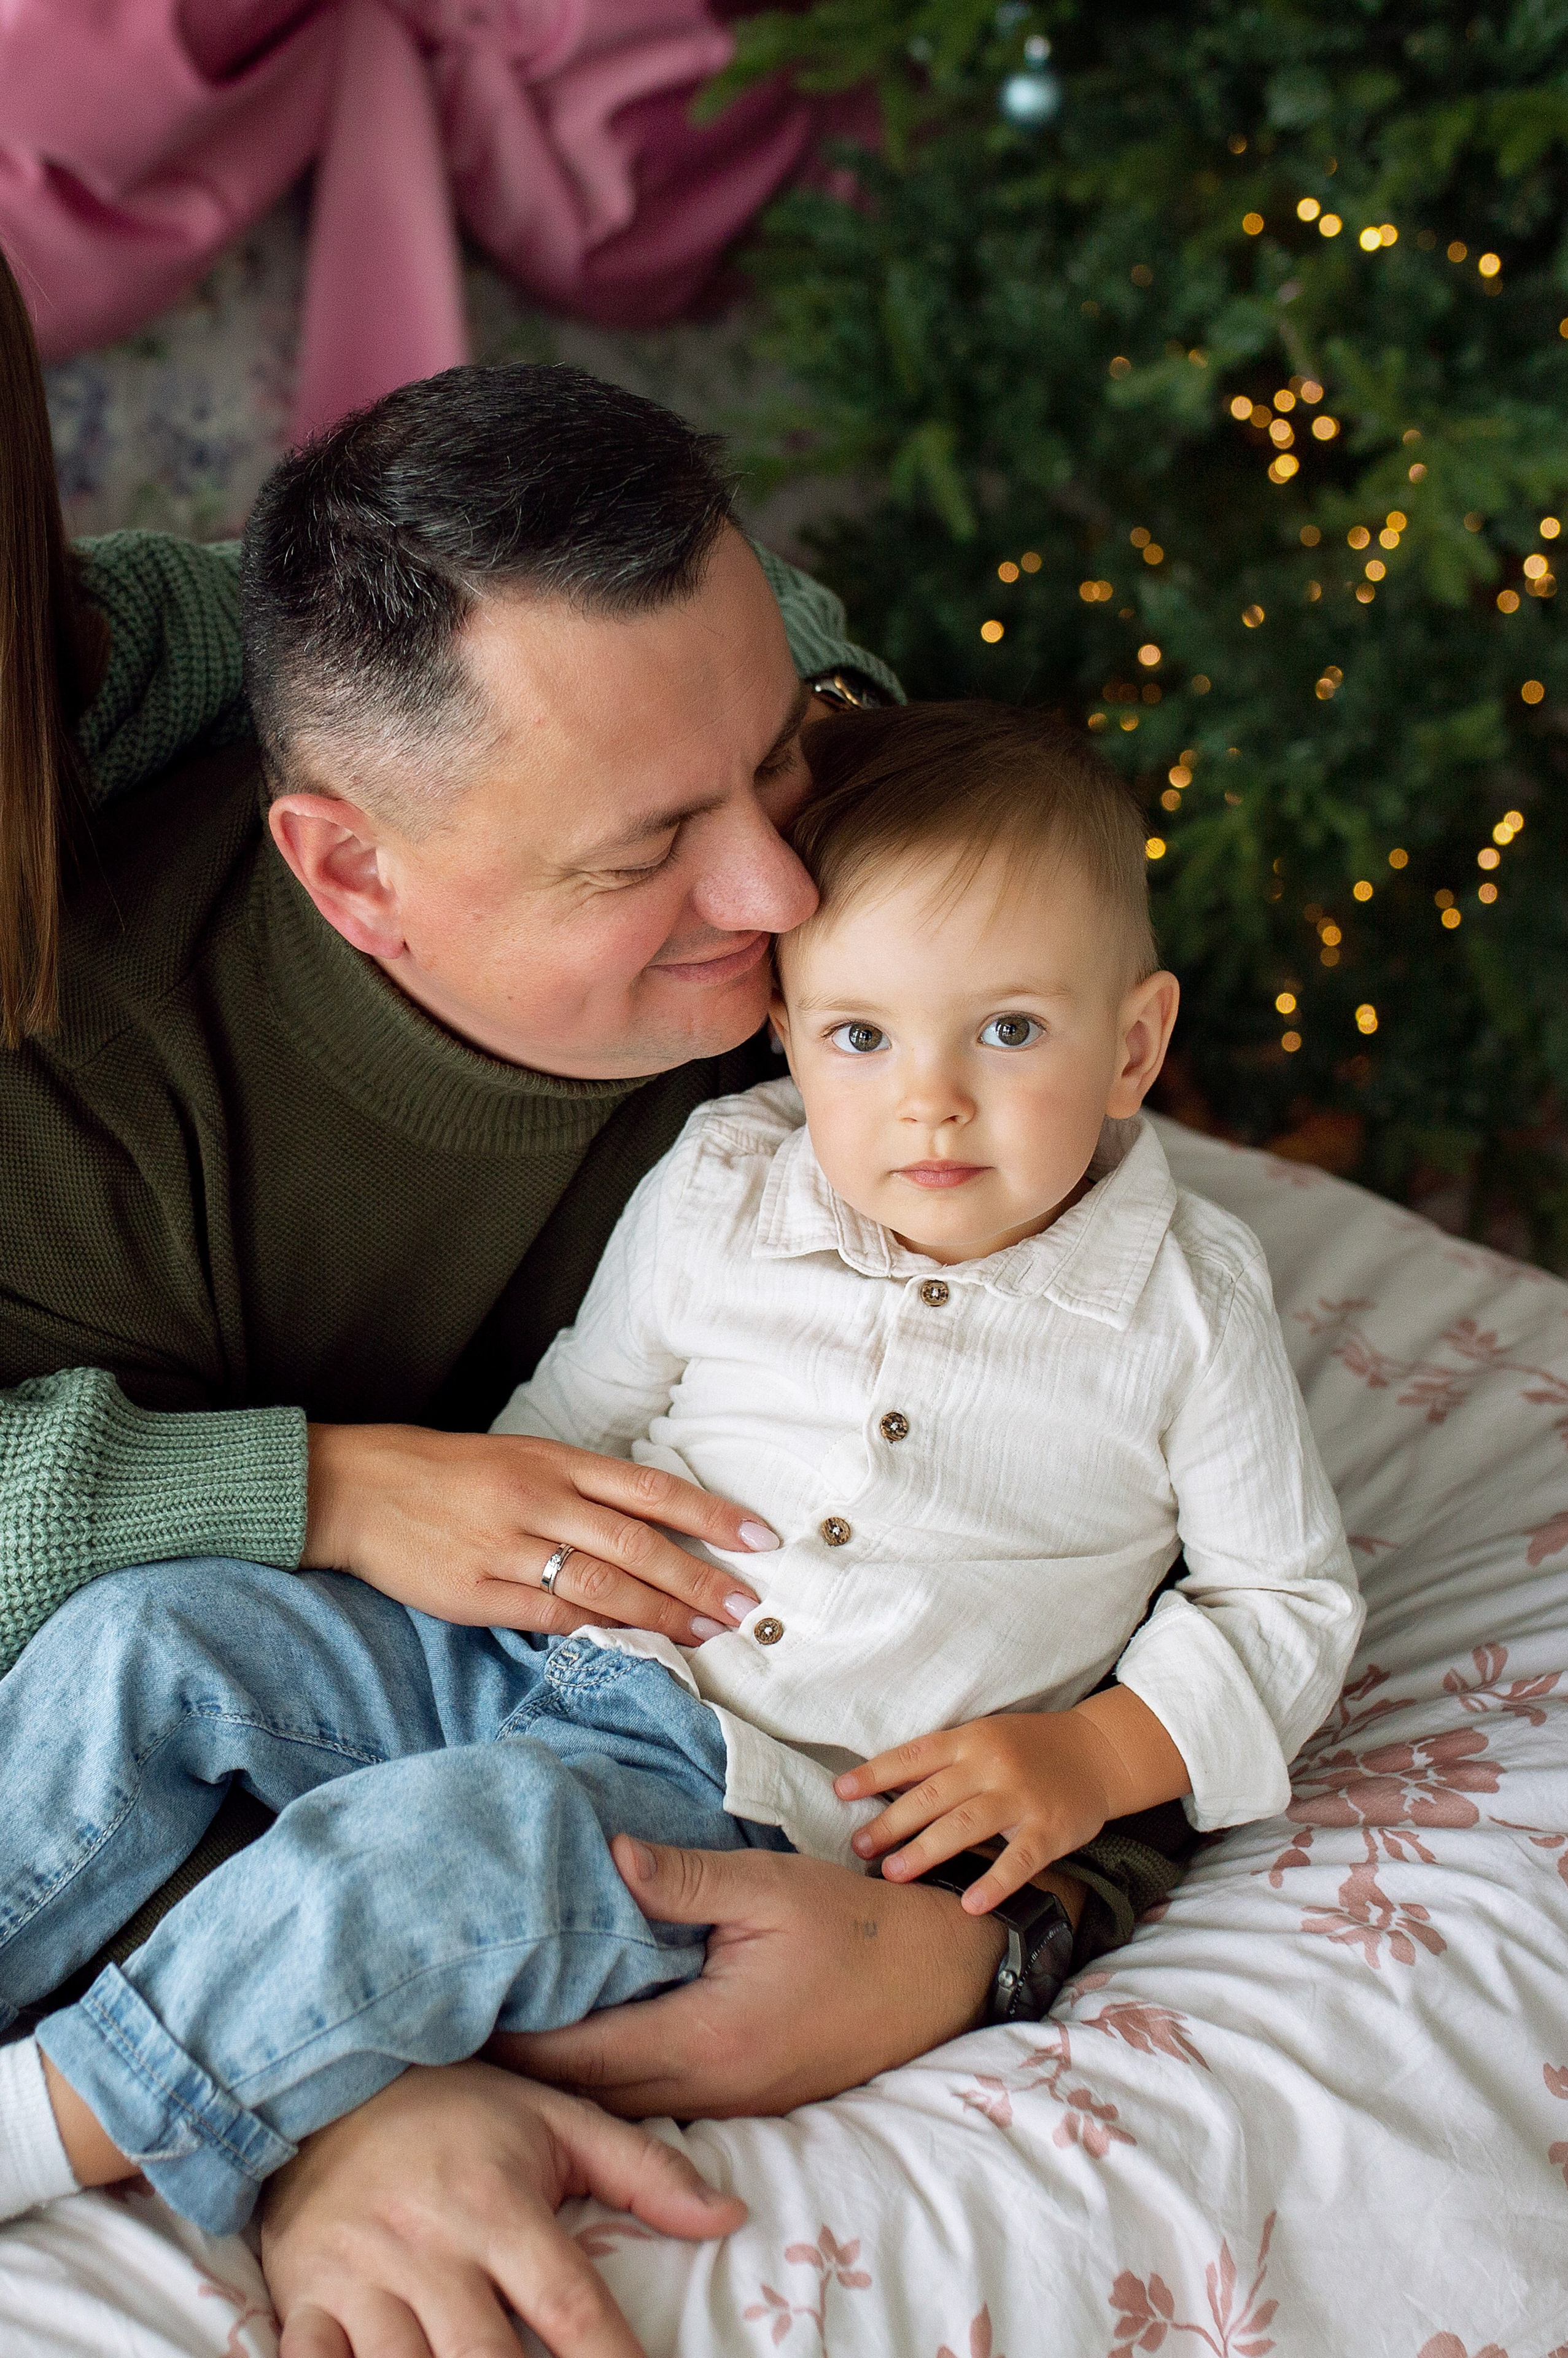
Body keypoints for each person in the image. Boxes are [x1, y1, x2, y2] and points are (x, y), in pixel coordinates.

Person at [0, 260, 1191, 2354]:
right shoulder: (97, 1115)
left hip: (714, 1769)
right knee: (135, 1657)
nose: (783, 897)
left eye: (788, 769)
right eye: (651, 850)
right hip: (382, 1677)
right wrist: (355, 2093)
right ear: (349, 874)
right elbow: (122, 1712)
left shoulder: (895, 995)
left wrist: (981, 1950)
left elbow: (1112, 1509)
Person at [0, 704, 1362, 2289]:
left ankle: (56, 2119)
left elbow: (1285, 1603)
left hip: (767, 1799)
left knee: (442, 1849)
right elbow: (571, 1421)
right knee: (155, 1635)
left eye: (1007, 1033)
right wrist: (420, 1599)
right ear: (787, 1031)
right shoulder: (726, 1180)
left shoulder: (1190, 1304)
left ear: (1133, 1044)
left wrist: (1093, 1753)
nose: (929, 1101)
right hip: (525, 1652)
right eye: (862, 1036)